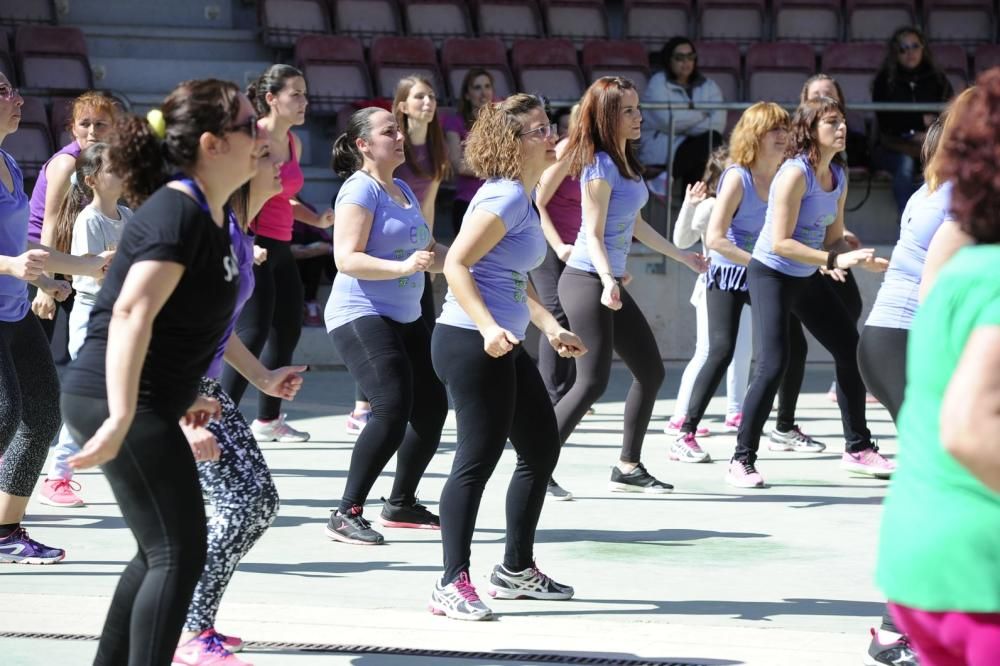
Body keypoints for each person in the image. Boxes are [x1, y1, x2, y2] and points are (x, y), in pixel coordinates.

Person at [60, 79, 265, 664]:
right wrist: (124, 415)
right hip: (113, 396)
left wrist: (182, 396)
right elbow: (131, 310)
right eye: (249, 127)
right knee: (179, 549)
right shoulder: (177, 210)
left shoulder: (209, 214)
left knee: (160, 550)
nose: (262, 139)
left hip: (144, 396)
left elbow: (181, 324)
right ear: (211, 143)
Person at [430, 94, 586, 620]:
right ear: (511, 143)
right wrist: (489, 325)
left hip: (503, 339)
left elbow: (512, 277)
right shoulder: (504, 199)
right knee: (475, 462)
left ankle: (515, 571)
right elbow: (456, 264)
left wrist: (548, 325)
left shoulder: (520, 195)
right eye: (540, 130)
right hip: (470, 340)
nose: (551, 136)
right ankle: (450, 582)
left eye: (550, 126)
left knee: (540, 449)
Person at [876, 69, 1000, 666]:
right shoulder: (983, 266)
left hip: (924, 564)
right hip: (973, 575)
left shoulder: (965, 255)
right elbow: (970, 430)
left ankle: (888, 624)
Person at [174, 134, 305, 666]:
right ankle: (187, 630)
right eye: (268, 161)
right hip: (175, 391)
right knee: (239, 504)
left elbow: (218, 328)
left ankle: (193, 621)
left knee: (259, 502)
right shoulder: (206, 232)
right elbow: (170, 326)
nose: (282, 170)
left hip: (204, 388)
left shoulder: (235, 230)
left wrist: (264, 378)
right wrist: (186, 416)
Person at [858, 92, 973, 666]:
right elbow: (937, 290)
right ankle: (894, 626)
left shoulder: (943, 180)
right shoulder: (959, 193)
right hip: (905, 339)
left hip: (893, 339)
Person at [554, 76, 708, 493]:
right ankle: (536, 463)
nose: (639, 117)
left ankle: (628, 465)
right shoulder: (599, 165)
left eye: (638, 109)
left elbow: (636, 224)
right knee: (591, 382)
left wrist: (683, 257)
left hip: (606, 282)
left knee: (651, 372)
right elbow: (594, 232)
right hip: (587, 280)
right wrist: (607, 279)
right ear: (607, 116)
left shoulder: (626, 163)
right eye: (628, 111)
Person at [729, 96, 890, 488]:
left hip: (806, 275)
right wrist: (832, 262)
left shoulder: (838, 176)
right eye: (831, 122)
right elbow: (781, 242)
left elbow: (832, 239)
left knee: (851, 349)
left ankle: (858, 447)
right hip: (770, 274)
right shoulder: (794, 174)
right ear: (811, 130)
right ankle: (741, 459)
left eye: (843, 121)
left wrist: (854, 257)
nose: (842, 128)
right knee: (773, 364)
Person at [323, 107, 450, 546]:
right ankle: (346, 512)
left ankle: (400, 502)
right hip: (360, 313)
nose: (399, 137)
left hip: (406, 315)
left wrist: (472, 259)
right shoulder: (359, 190)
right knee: (391, 407)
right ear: (363, 145)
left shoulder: (402, 191)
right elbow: (347, 258)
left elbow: (428, 249)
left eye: (398, 130)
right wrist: (401, 267)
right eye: (388, 132)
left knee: (432, 407)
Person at [0, 74, 110, 565]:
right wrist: (9, 267)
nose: (18, 98)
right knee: (5, 413)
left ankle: (5, 530)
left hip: (14, 309)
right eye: (4, 91)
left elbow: (23, 244)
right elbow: (10, 256)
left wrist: (83, 267)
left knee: (42, 414)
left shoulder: (6, 162)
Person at [674, 103, 803, 463]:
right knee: (720, 351)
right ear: (754, 136)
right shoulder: (737, 176)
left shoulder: (784, 175)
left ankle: (783, 426)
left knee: (789, 349)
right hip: (729, 274)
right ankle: (685, 433)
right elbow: (714, 239)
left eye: (785, 129)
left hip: (764, 274)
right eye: (774, 130)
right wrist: (760, 263)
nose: (783, 136)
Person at [224, 64, 334, 444]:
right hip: (254, 244)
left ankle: (268, 420)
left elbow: (282, 195)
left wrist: (315, 217)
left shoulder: (294, 143)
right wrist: (244, 241)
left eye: (305, 93)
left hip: (281, 243)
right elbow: (235, 194)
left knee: (286, 331)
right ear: (271, 99)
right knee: (250, 335)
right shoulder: (255, 138)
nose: (305, 101)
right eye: (296, 94)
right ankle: (220, 422)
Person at [40, 142, 132, 509]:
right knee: (94, 399)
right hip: (93, 317)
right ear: (92, 179)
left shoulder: (126, 215)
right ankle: (57, 476)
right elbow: (89, 273)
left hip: (120, 317)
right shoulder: (89, 219)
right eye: (114, 167)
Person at [667, 147, 751, 438]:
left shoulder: (751, 203)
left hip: (744, 285)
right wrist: (690, 205)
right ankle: (680, 416)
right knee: (707, 352)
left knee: (742, 351)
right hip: (713, 287)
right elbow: (681, 239)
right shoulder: (711, 206)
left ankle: (735, 411)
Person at [28, 91, 118, 349]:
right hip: (40, 263)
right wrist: (45, 286)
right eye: (84, 123)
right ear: (72, 129)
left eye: (100, 124)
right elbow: (51, 224)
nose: (92, 131)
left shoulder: (108, 164)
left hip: (74, 264)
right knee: (36, 352)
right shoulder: (67, 164)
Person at [532, 103, 582, 501]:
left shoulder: (604, 156)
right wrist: (559, 246)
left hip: (580, 252)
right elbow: (539, 200)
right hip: (553, 250)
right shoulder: (569, 149)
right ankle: (548, 409)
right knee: (557, 318)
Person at [872, 26, 953, 215]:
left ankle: (940, 220)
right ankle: (907, 221)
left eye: (915, 46)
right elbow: (886, 121)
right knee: (905, 165)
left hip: (930, 143)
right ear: (895, 53)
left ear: (923, 48)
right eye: (903, 48)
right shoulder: (885, 81)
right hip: (894, 146)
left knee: (944, 162)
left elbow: (949, 114)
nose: (910, 52)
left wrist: (929, 133)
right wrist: (917, 125)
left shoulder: (937, 78)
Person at [393, 74, 450, 330]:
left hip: (418, 244)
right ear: (403, 106)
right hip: (391, 243)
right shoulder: (393, 146)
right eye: (419, 96)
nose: (428, 101)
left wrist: (430, 248)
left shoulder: (437, 149)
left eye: (432, 96)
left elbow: (428, 205)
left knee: (424, 320)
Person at [640, 37, 726, 193]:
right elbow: (669, 121)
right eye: (679, 58)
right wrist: (703, 114)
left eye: (690, 57)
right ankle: (690, 211)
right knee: (705, 148)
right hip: (664, 147)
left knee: (711, 141)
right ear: (668, 60)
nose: (686, 62)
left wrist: (684, 123)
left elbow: (718, 124)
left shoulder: (709, 86)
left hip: (694, 147)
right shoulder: (657, 83)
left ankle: (667, 178)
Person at [443, 68, 494, 238]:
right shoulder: (454, 122)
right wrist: (497, 170)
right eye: (477, 87)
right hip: (468, 202)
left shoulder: (502, 123)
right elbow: (459, 165)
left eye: (487, 86)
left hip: (498, 202)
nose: (483, 92)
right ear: (466, 94)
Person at [291, 219, 333, 327]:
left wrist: (308, 250)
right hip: (280, 252)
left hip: (310, 259)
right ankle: (300, 303)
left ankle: (309, 301)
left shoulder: (306, 209)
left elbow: (324, 242)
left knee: (315, 242)